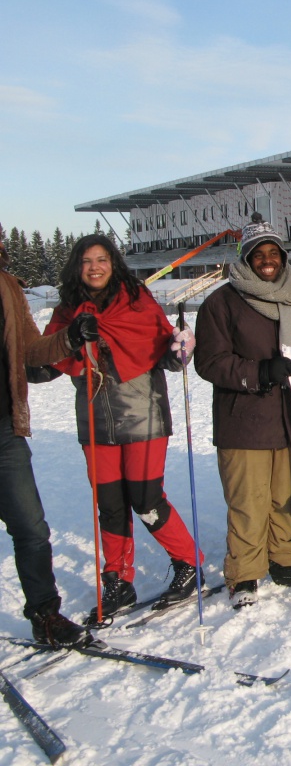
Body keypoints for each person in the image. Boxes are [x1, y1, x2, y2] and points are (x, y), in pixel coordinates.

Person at [43, 234, 204, 621]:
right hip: (96, 422)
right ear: (77, 267)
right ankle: (117, 578)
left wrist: (179, 348)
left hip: (142, 415)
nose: (95, 267)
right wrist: (68, 339)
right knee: (110, 505)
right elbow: (43, 361)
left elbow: (164, 352)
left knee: (146, 499)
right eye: (87, 261)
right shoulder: (68, 311)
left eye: (102, 259)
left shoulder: (136, 301)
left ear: (113, 263)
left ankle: (188, 562)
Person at [195, 214, 291, 609]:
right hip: (243, 420)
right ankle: (245, 573)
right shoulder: (223, 302)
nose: (267, 260)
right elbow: (210, 361)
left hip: (284, 418)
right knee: (248, 502)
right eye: (258, 254)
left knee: (282, 499)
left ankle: (285, 562)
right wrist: (260, 372)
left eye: (273, 253)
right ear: (246, 259)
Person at [0, 251, 89, 646]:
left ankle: (45, 615)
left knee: (31, 529)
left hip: (5, 427)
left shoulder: (7, 286)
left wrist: (69, 338)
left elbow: (31, 350)